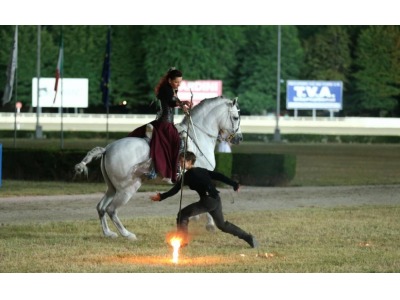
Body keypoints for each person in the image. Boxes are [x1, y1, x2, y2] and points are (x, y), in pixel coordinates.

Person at [150, 151, 258, 248]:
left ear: (190, 161)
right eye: (180, 161)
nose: (180, 164)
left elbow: (175, 190)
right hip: (215, 200)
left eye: (182, 161)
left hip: (208, 201)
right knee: (222, 225)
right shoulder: (201, 170)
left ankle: (182, 242)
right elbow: (219, 176)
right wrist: (234, 184)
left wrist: (161, 197)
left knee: (182, 215)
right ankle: (248, 238)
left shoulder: (187, 175)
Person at [128, 68, 191, 183]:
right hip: (164, 123)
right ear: (169, 80)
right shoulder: (165, 89)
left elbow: (174, 102)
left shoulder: (172, 89)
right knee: (178, 141)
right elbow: (171, 102)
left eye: (180, 82)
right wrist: (182, 104)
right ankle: (174, 169)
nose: (178, 84)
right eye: (176, 82)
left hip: (167, 122)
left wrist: (183, 104)